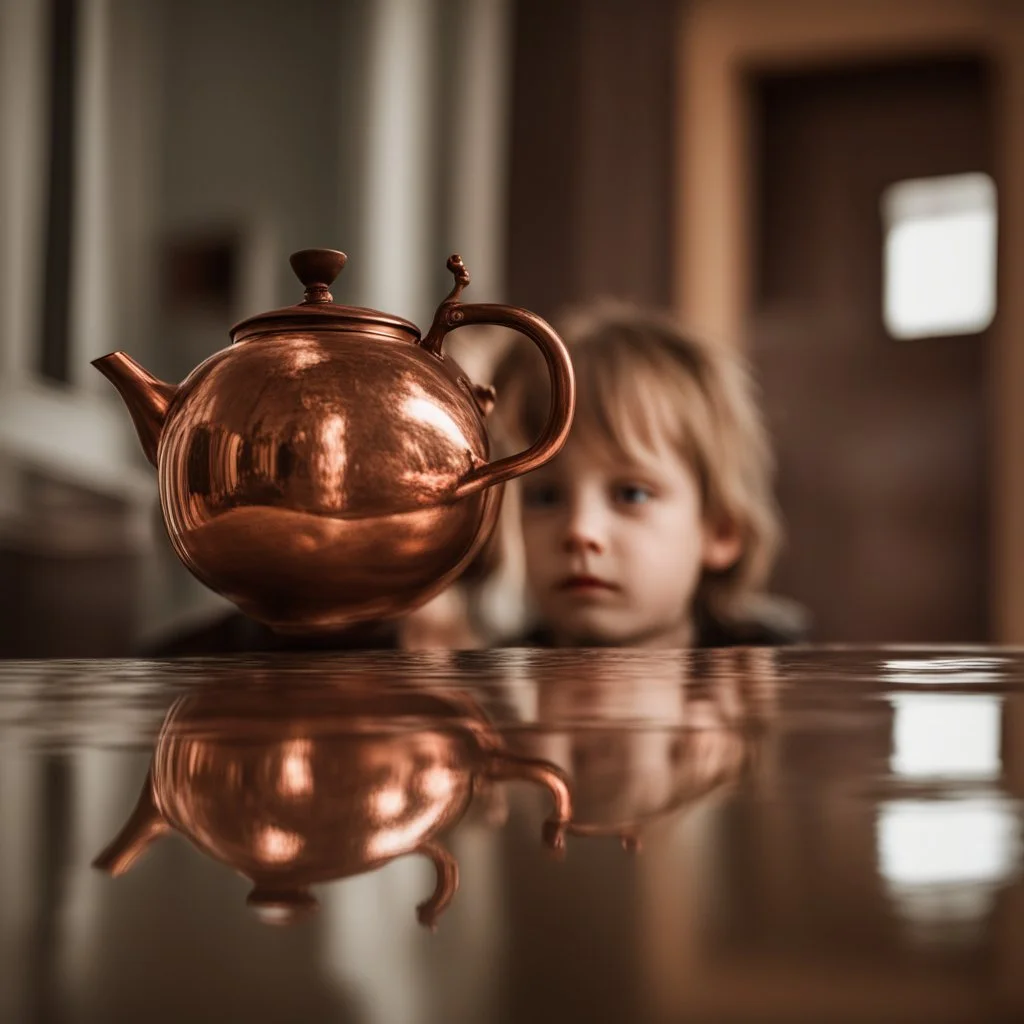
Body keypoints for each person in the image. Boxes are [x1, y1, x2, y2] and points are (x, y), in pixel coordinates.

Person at [486, 303, 806, 648]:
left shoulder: (771, 686)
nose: (581, 531)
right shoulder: (494, 685)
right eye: (544, 497)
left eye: (631, 494)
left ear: (721, 528)